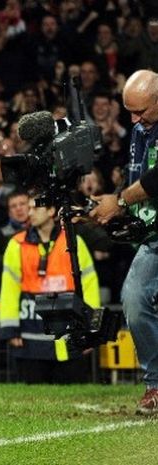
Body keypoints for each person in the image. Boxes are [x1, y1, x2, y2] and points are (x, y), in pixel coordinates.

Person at [90, 69, 158, 414]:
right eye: (129, 111)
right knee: (133, 298)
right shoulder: (139, 130)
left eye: (141, 111)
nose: (134, 119)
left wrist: (120, 201)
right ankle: (155, 385)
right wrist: (113, 210)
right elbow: (138, 180)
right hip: (153, 236)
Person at [0, 198, 100, 384]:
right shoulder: (16, 244)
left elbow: (90, 287)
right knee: (33, 400)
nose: (29, 213)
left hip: (68, 336)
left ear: (51, 211)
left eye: (34, 208)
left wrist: (91, 330)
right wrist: (10, 330)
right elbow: (9, 290)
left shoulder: (74, 242)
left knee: (72, 397)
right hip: (30, 335)